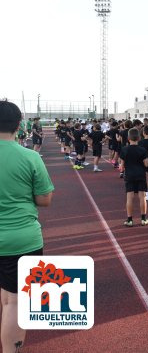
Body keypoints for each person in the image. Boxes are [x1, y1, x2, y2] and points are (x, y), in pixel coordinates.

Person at [0, 101, 54, 353]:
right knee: (15, 302)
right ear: (19, 125)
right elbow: (44, 199)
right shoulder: (30, 156)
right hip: (20, 240)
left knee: (6, 299)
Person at [120, 128, 148, 227]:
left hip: (129, 175)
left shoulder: (124, 149)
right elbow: (146, 164)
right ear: (139, 138)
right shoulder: (142, 149)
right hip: (140, 175)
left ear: (128, 138)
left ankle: (129, 220)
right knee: (142, 197)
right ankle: (143, 219)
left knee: (129, 198)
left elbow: (121, 166)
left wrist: (123, 169)